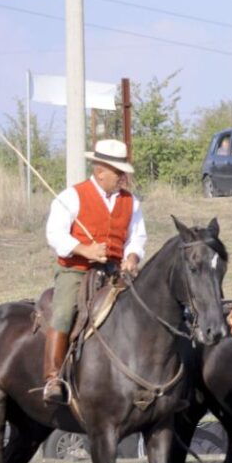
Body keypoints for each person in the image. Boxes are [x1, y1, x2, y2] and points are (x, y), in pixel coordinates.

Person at [43, 139, 146, 404]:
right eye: (118, 172)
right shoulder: (72, 197)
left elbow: (137, 237)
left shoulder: (130, 202)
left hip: (113, 271)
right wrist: (84, 249)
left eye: (123, 172)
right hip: (76, 271)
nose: (123, 177)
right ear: (100, 171)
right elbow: (54, 234)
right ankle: (53, 377)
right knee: (64, 312)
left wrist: (133, 256)